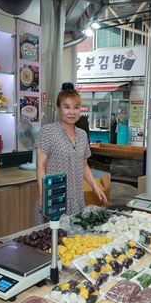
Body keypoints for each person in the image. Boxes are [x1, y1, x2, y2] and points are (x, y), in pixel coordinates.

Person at [35, 83, 107, 224]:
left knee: (73, 240)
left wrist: (95, 187)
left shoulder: (82, 134)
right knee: (50, 240)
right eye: (67, 107)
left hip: (76, 197)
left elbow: (84, 165)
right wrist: (44, 195)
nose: (72, 112)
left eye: (76, 107)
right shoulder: (48, 131)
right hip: (54, 197)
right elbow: (40, 166)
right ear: (58, 109)